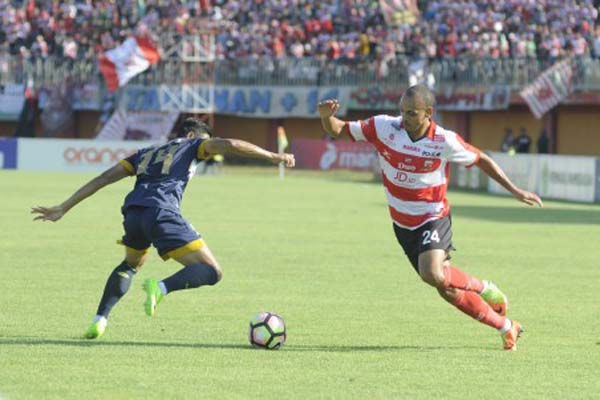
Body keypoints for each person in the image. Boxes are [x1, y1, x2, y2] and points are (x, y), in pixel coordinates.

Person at [318, 85, 543, 351]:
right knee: (444, 287)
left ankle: (484, 287)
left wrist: (514, 190)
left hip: (432, 216)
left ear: (429, 113)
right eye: (402, 112)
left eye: (412, 113)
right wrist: (325, 116)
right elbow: (339, 130)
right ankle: (507, 327)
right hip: (402, 224)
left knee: (433, 272)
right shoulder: (384, 127)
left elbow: (482, 159)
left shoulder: (444, 140)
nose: (405, 118)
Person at [31, 118, 295, 339]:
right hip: (162, 212)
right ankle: (161, 288)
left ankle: (100, 319)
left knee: (131, 265)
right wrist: (273, 156)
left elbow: (103, 179)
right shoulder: (193, 144)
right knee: (212, 272)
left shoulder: (144, 153)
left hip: (133, 212)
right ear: (191, 135)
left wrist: (64, 207)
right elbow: (230, 144)